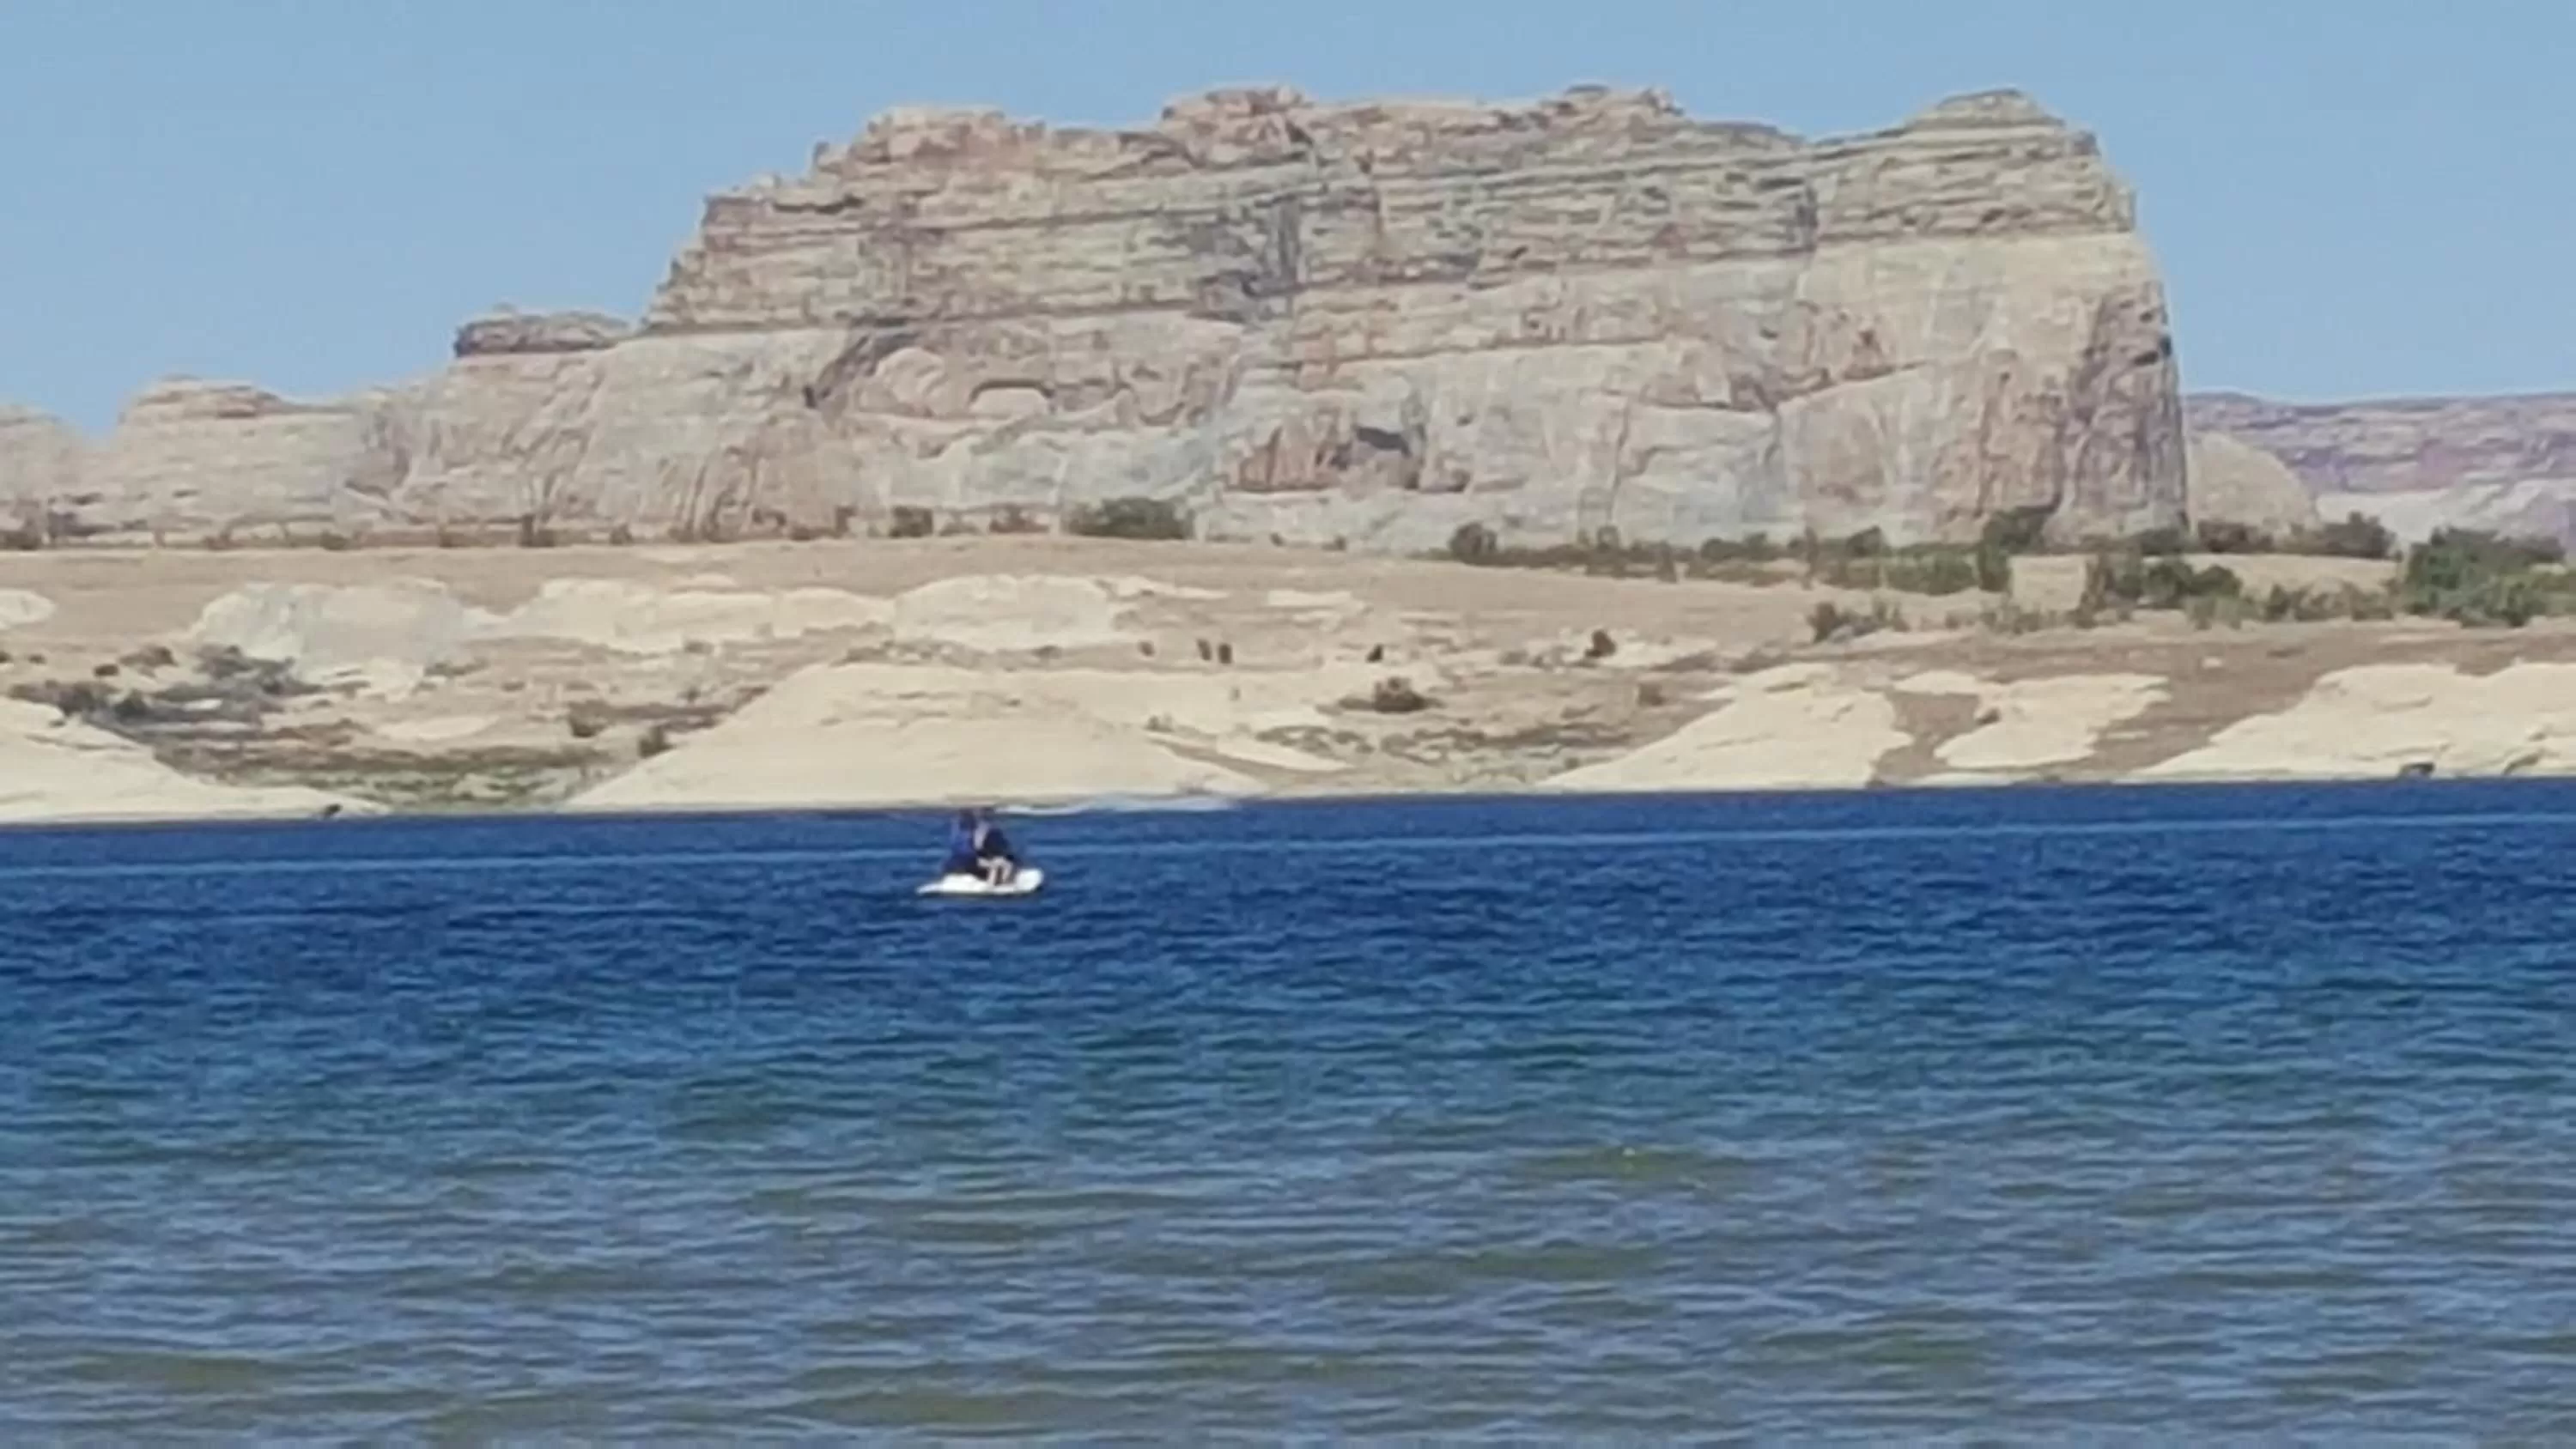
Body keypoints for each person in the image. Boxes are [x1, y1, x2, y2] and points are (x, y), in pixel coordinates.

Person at [942, 807, 1018, 884]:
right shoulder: (975, 831)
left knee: (998, 862)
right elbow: (978, 847)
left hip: (956, 860)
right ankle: (994, 887)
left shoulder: (959, 831)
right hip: (969, 861)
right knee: (1001, 865)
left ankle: (998, 884)